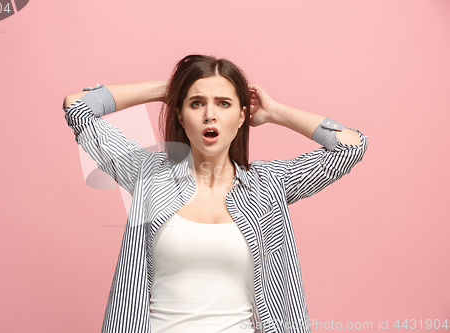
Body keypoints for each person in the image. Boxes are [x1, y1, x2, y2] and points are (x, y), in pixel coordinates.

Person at [62, 54, 368, 333]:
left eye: (224, 103)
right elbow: (77, 107)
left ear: (241, 116)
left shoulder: (268, 185)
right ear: (180, 116)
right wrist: (169, 89)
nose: (210, 115)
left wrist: (274, 112)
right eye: (196, 103)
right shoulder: (149, 174)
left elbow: (350, 146)